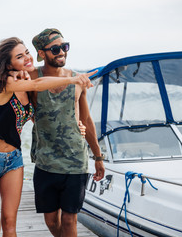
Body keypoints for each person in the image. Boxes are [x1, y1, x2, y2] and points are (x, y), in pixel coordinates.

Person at [0, 37, 96, 237]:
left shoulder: (25, 86)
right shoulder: (5, 83)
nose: (27, 58)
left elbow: (43, 112)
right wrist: (72, 79)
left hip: (13, 160)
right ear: (9, 63)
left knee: (10, 224)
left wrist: (77, 124)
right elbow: (37, 83)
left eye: (27, 52)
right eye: (19, 57)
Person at [28, 28, 105, 237]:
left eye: (65, 47)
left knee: (70, 220)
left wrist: (98, 156)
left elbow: (86, 120)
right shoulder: (32, 77)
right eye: (55, 48)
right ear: (42, 53)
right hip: (45, 161)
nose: (62, 52)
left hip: (75, 161)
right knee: (51, 221)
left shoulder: (77, 79)